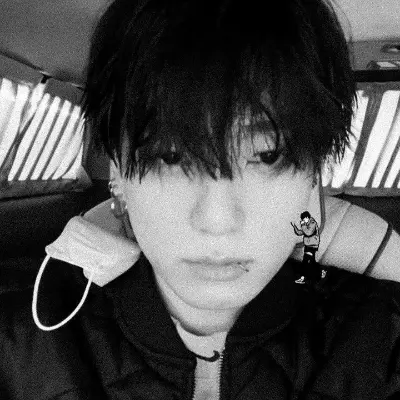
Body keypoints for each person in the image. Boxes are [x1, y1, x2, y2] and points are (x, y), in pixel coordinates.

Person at [2, 1, 400, 399]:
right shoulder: (25, 338)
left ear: (313, 180)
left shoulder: (380, 336)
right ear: (118, 174)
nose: (217, 220)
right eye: (170, 156)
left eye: (268, 154)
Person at [291, 211, 325, 284]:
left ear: (307, 217)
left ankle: (303, 277)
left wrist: (303, 225)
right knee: (311, 261)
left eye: (303, 219)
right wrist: (294, 226)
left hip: (312, 245)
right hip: (308, 245)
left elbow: (308, 232)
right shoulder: (306, 225)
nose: (303, 221)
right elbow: (300, 232)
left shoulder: (312, 223)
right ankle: (320, 272)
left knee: (306, 260)